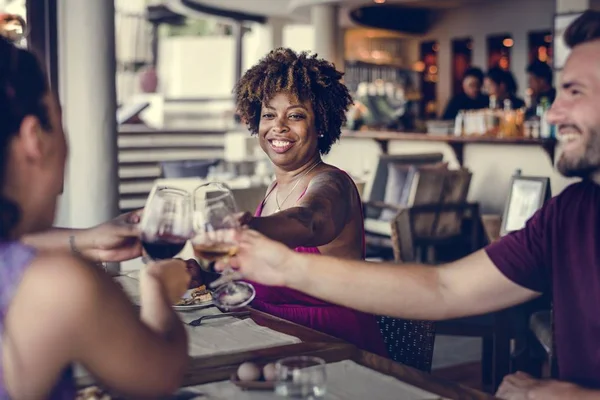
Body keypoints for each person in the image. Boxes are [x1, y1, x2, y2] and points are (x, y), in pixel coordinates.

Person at [216, 11, 600, 400]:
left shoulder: (329, 182)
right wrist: (277, 263)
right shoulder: (571, 212)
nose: (552, 114)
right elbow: (444, 287)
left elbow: (313, 218)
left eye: (575, 91)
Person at [0, 36, 190, 398]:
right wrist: (156, 287)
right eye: (61, 119)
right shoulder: (60, 286)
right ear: (34, 138)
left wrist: (87, 240)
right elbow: (160, 374)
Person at [227, 48, 387, 356]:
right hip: (273, 338)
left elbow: (310, 219)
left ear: (322, 124)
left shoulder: (332, 183)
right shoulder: (274, 189)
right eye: (269, 115)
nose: (279, 126)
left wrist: (249, 229)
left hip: (332, 345)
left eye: (296, 115)